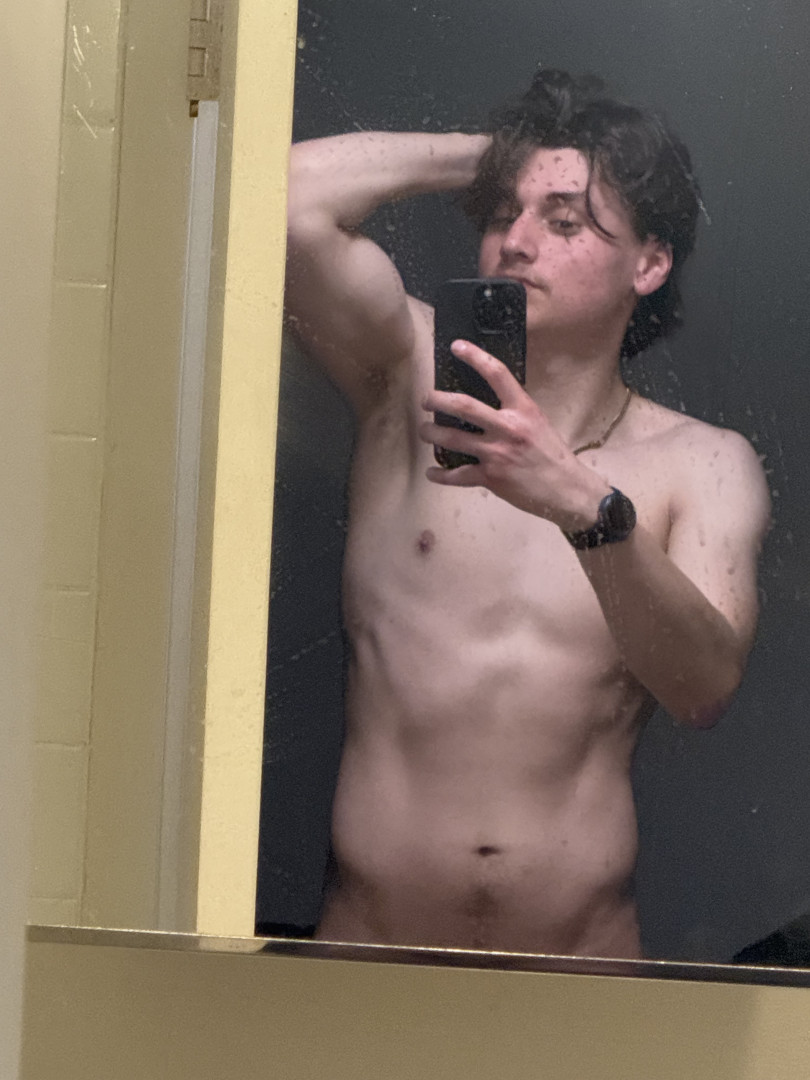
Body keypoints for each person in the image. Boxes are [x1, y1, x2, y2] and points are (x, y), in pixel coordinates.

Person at [283, 70, 769, 957]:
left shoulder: (701, 463)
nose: (515, 241)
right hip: (370, 952)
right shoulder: (407, 377)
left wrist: (582, 504)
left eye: (566, 221)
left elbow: (703, 688)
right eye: (504, 214)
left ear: (649, 264)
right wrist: (501, 157)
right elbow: (282, 201)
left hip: (580, 967)